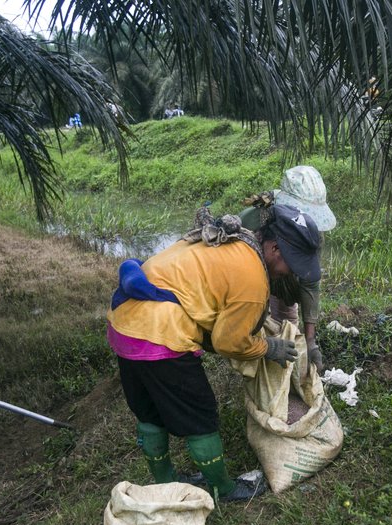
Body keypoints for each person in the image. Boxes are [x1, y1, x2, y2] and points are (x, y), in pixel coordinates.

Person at [107, 205, 322, 502]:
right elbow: (228, 342)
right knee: (202, 416)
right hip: (162, 334)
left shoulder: (232, 242)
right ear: (273, 249)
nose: (291, 272)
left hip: (123, 324)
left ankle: (164, 481)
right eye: (292, 263)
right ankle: (224, 489)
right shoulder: (253, 280)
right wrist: (268, 347)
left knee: (149, 411)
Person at [238, 165, 337, 374]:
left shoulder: (310, 234)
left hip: (282, 280)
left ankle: (289, 364)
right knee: (254, 328)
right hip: (248, 283)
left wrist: (310, 341)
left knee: (286, 329)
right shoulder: (252, 220)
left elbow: (310, 284)